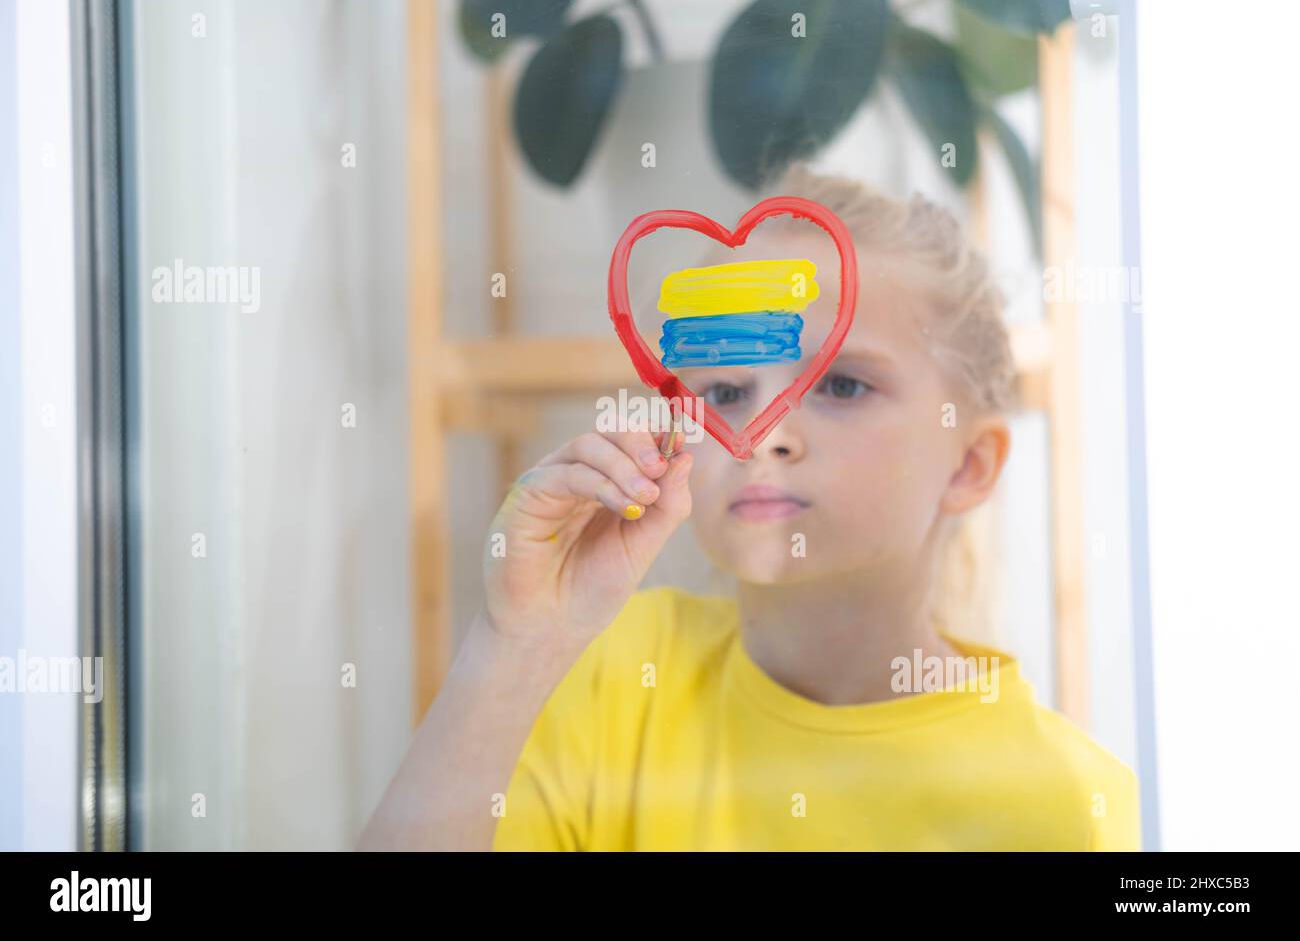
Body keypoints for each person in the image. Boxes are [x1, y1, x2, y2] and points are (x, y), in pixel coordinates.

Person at [358, 163, 1140, 851]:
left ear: (968, 463)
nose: (763, 435)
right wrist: (514, 643)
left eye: (840, 385)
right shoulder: (611, 675)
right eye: (726, 392)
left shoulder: (1076, 803)